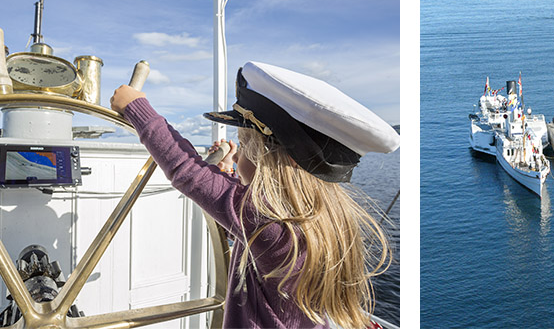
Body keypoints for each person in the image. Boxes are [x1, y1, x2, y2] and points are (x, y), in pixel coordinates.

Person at [110, 62, 397, 328]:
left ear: (272, 160)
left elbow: (187, 171)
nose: (237, 157)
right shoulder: (322, 219)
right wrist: (229, 174)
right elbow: (247, 212)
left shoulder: (269, 222)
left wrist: (136, 106)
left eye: (246, 147)